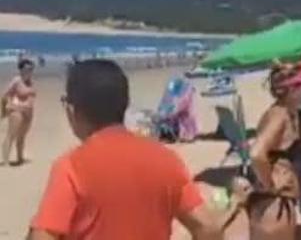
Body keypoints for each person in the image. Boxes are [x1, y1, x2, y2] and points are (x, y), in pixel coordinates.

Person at [28, 59, 220, 240]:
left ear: (71, 110)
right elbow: (207, 227)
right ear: (124, 104)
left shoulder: (71, 167)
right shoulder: (167, 160)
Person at [245, 63, 301, 240]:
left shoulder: (290, 114)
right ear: (292, 89)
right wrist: (271, 186)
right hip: (273, 202)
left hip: (279, 200)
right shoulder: (279, 114)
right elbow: (256, 153)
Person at [2, 58, 37, 166]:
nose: (29, 72)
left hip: (28, 113)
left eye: (31, 69)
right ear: (21, 70)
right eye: (26, 69)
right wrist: (5, 109)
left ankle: (20, 158)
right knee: (11, 136)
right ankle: (6, 161)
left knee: (22, 136)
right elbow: (4, 95)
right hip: (17, 111)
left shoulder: (31, 82)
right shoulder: (16, 80)